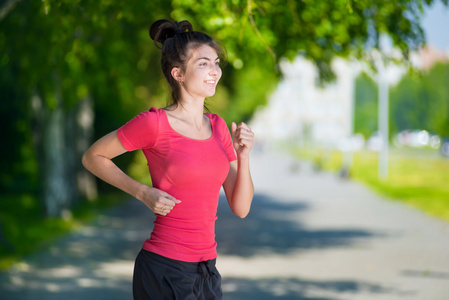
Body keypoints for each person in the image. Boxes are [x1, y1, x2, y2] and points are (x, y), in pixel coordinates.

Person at [81, 19, 255, 300]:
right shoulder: (154, 124)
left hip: (207, 271)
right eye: (203, 64)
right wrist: (142, 192)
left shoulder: (219, 127)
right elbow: (93, 157)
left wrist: (243, 157)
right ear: (178, 73)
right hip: (164, 270)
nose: (214, 71)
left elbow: (242, 207)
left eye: (216, 62)